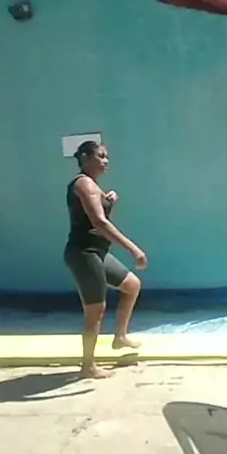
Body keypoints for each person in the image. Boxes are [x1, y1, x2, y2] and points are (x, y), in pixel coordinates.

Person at [64, 140, 148, 379]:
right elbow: (99, 222)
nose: (106, 161)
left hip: (97, 252)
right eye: (100, 156)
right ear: (85, 158)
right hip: (84, 253)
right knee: (95, 309)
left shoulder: (92, 185)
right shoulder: (84, 184)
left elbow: (99, 216)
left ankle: (120, 337)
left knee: (132, 285)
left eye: (106, 156)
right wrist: (133, 249)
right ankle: (88, 367)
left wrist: (110, 201)